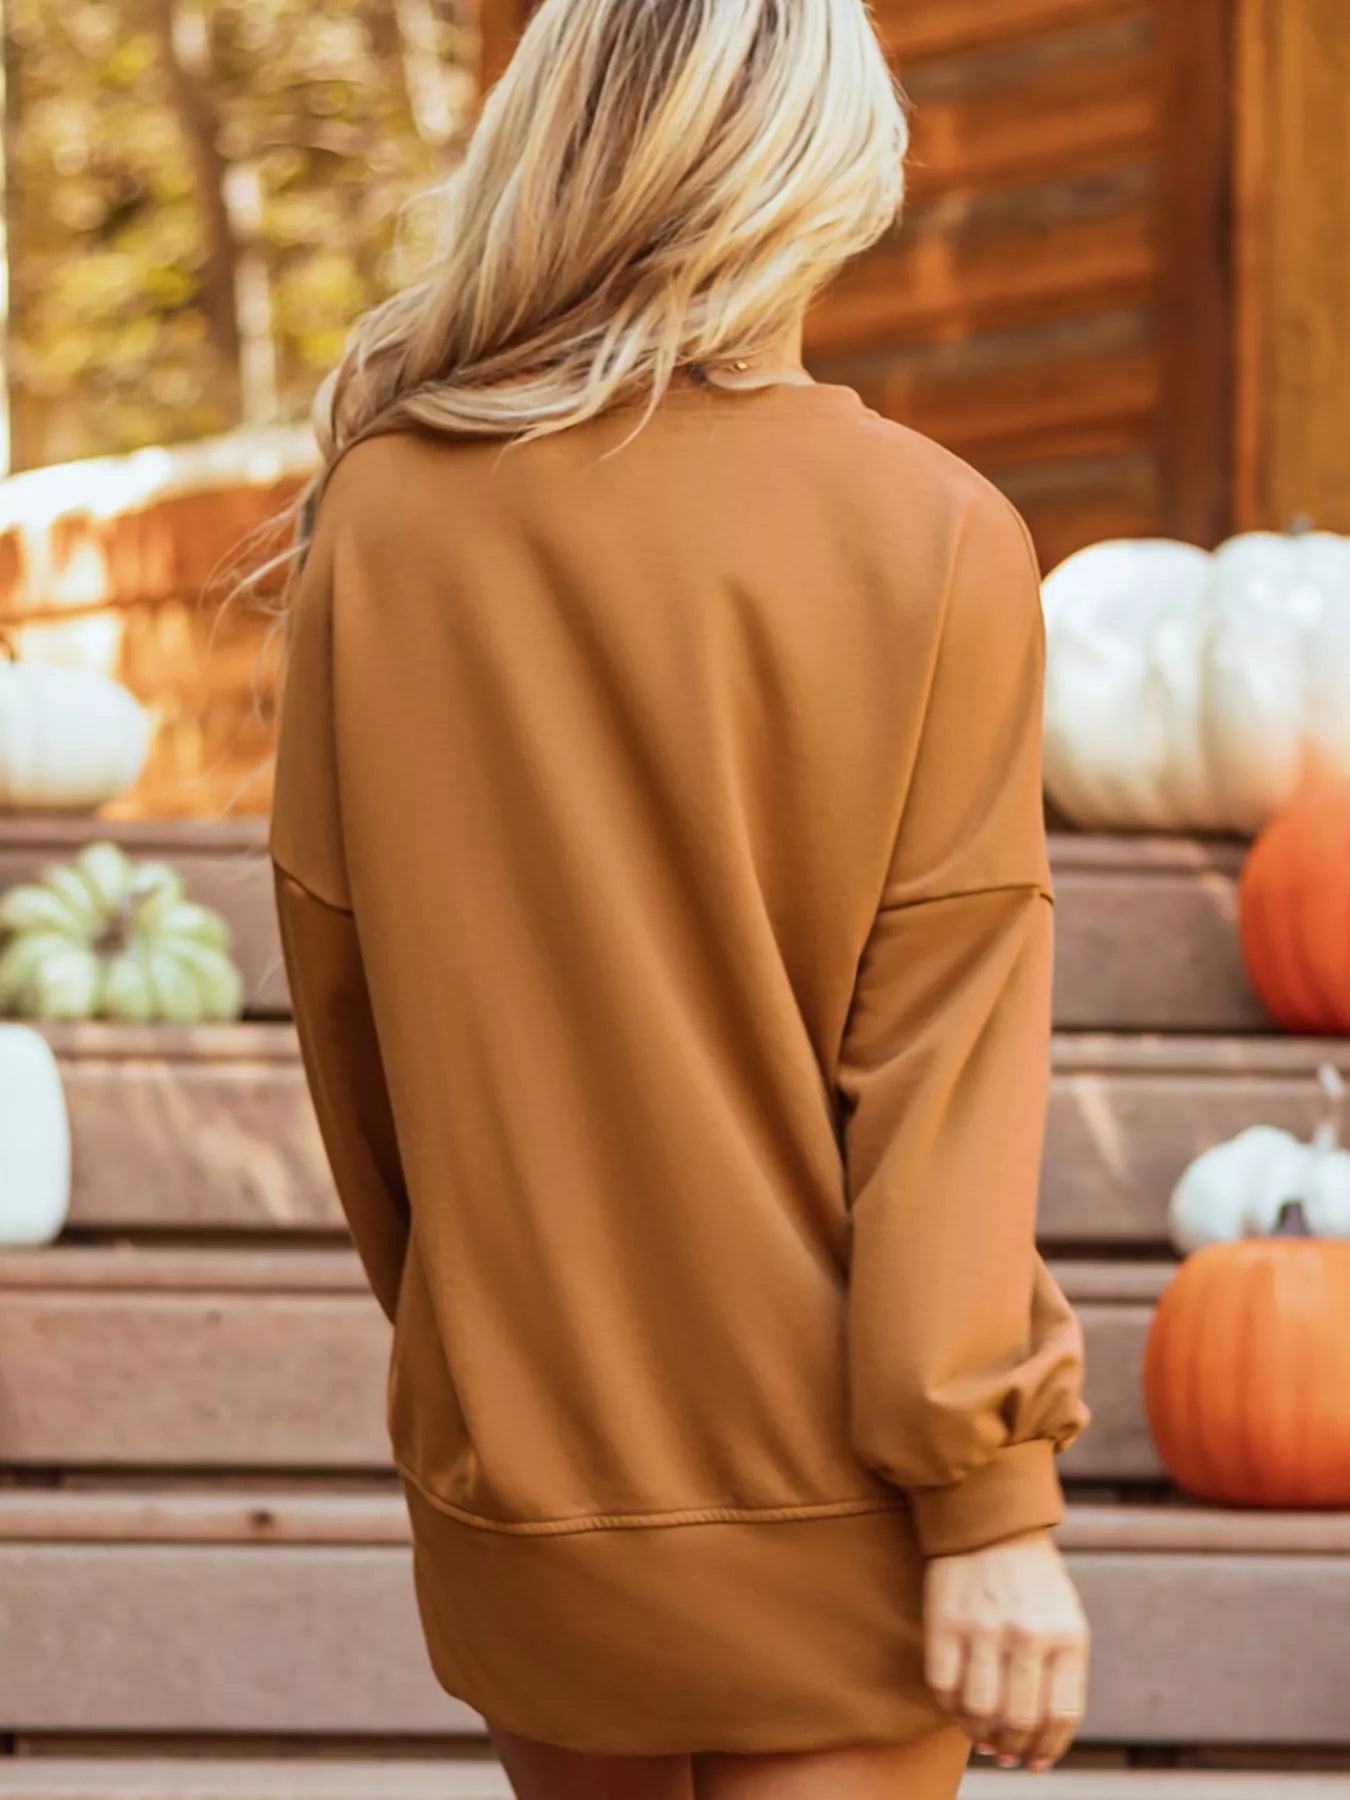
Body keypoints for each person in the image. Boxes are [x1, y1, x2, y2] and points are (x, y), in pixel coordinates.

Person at [266, 1, 1093, 1795]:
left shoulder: (380, 529)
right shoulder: (932, 535)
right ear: (833, 169)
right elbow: (939, 1063)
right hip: (848, 1520)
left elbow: (359, 1051)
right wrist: (988, 1501)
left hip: (530, 1498)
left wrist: (500, 1383)